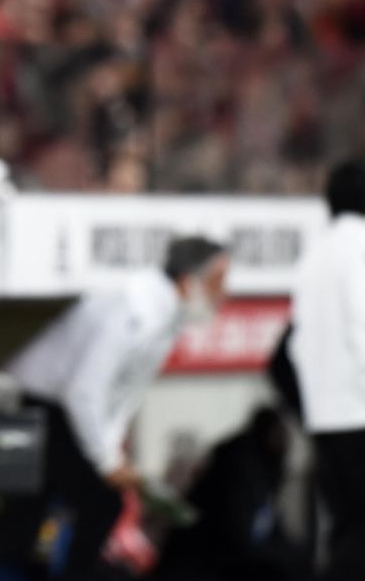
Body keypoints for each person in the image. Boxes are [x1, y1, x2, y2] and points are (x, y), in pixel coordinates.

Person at [6, 236, 230, 580]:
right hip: (38, 405)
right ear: (189, 280)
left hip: (58, 409)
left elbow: (123, 394)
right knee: (94, 504)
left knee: (37, 514)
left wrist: (112, 453)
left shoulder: (166, 313)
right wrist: (107, 460)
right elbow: (84, 391)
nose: (223, 293)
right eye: (218, 282)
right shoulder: (137, 309)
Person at [289, 157, 365, 581]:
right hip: (359, 410)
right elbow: (362, 325)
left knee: (343, 525)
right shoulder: (360, 246)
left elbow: (298, 343)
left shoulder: (314, 254)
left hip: (325, 415)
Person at [154, 406, 310, 581]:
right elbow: (240, 537)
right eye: (281, 433)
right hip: (199, 566)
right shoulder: (241, 469)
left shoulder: (264, 470)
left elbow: (267, 526)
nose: (286, 441)